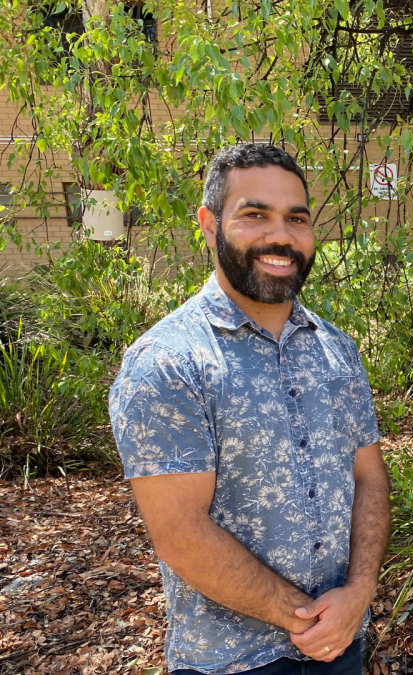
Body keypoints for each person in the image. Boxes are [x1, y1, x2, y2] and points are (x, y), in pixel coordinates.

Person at [108, 143, 391, 675]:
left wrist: (359, 592)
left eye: (296, 219)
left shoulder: (336, 349)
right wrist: (305, 618)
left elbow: (369, 477)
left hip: (343, 643)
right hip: (232, 662)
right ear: (209, 224)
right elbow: (179, 532)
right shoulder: (168, 362)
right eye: (254, 215)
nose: (280, 236)